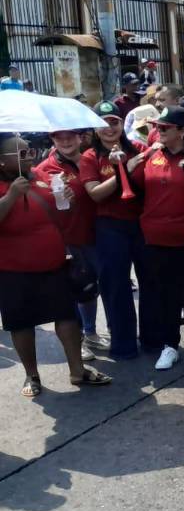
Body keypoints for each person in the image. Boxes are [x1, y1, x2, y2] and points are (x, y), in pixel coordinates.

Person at [0, 132, 111, 397]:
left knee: (67, 316)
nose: (31, 157)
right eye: (23, 153)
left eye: (31, 151)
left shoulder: (39, 176)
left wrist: (67, 203)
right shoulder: (10, 186)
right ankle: (31, 375)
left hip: (54, 263)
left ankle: (78, 370)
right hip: (14, 270)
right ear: (3, 162)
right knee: (22, 324)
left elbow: (57, 216)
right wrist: (12, 195)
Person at [126, 106, 184, 371]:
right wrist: (129, 168)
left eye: (165, 128)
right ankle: (170, 345)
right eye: (158, 127)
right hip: (155, 237)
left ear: (182, 131)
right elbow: (136, 190)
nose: (158, 132)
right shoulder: (151, 155)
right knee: (163, 294)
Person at [80, 101, 150, 360]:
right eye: (104, 123)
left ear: (122, 124)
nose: (110, 128)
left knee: (150, 284)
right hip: (109, 228)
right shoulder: (90, 157)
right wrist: (123, 173)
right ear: (96, 128)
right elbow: (95, 194)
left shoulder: (138, 148)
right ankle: (124, 344)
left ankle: (154, 340)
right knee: (116, 287)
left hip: (141, 223)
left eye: (114, 122)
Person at [36, 128, 106, 358]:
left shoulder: (93, 160)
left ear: (80, 138)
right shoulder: (44, 170)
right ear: (52, 140)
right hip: (67, 239)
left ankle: (91, 333)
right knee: (73, 290)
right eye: (59, 138)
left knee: (90, 288)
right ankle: (78, 341)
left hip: (97, 234)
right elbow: (39, 205)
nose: (65, 141)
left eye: (70, 137)